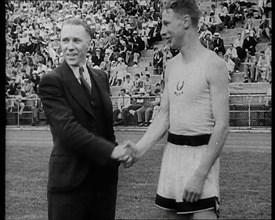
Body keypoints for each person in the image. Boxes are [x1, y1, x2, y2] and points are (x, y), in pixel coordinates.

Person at [125, 0, 229, 219]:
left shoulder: (213, 64)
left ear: (185, 22)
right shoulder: (171, 66)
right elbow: (164, 116)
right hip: (172, 154)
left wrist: (200, 174)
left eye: (166, 24)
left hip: (201, 157)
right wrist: (138, 150)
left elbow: (222, 126)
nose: (162, 31)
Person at [38, 18, 133, 220]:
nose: (69, 47)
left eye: (76, 41)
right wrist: (113, 151)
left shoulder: (101, 77)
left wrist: (116, 158)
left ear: (90, 42)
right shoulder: (52, 80)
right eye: (65, 41)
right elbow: (67, 129)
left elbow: (106, 128)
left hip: (104, 185)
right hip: (70, 184)